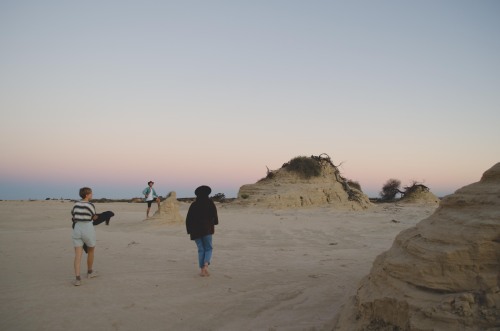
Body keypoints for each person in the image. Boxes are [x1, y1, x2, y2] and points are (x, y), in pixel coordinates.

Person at [186, 185, 219, 277]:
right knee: (208, 248)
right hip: (207, 229)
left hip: (195, 231)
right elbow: (214, 216)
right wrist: (215, 223)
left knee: (201, 249)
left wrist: (189, 230)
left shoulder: (194, 204)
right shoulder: (210, 203)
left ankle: (202, 270)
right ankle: (205, 266)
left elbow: (188, 219)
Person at [71, 187, 98, 286]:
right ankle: (90, 272)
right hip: (87, 228)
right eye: (91, 193)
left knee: (77, 255)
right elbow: (93, 216)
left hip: (77, 229)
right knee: (91, 250)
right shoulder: (90, 205)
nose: (92, 195)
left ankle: (77, 279)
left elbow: (73, 216)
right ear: (87, 195)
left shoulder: (76, 204)